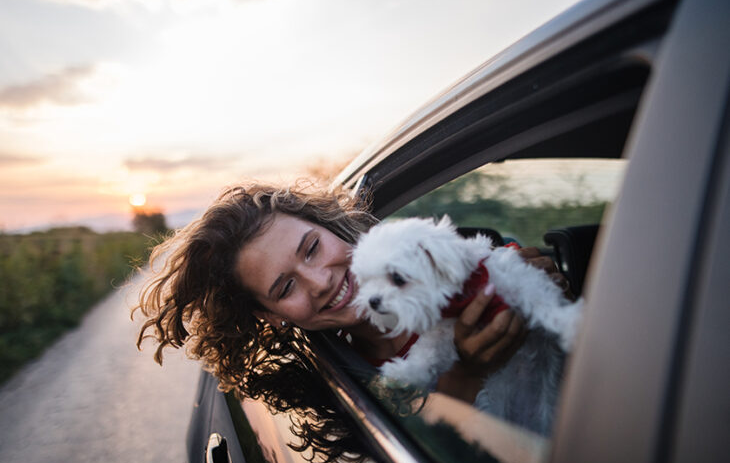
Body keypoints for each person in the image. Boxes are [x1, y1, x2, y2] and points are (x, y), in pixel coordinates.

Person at [134, 181, 564, 407]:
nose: (320, 281)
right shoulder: (339, 385)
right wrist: (467, 373)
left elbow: (505, 265)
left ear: (332, 228)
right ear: (271, 316)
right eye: (285, 287)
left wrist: (545, 278)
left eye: (312, 248)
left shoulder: (443, 270)